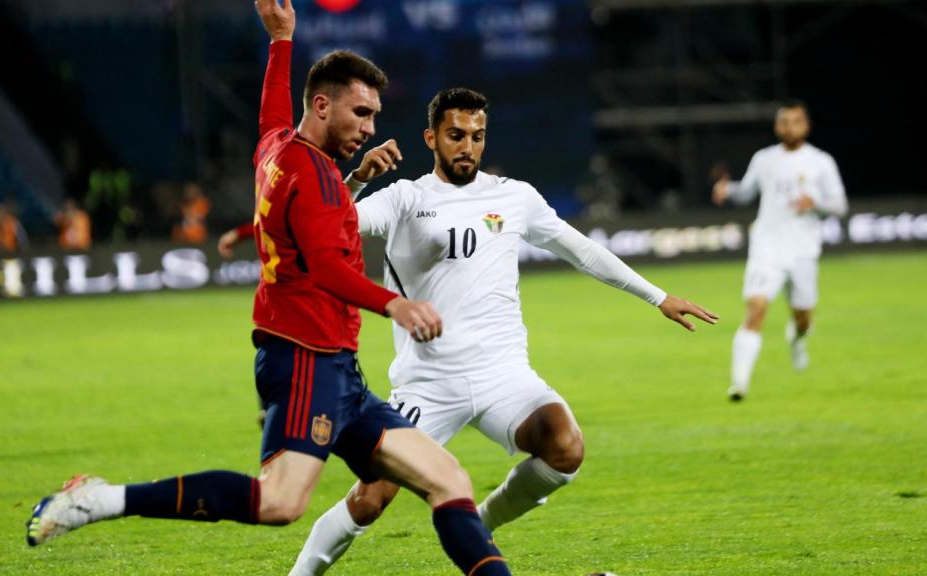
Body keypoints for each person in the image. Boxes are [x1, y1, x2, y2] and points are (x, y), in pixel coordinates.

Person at [25, 3, 512, 575]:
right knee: (279, 501)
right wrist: (396, 304)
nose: (370, 127)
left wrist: (281, 40)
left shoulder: (279, 148)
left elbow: (271, 113)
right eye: (360, 112)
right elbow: (328, 268)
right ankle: (101, 499)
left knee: (448, 478)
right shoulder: (319, 179)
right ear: (323, 105)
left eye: (374, 115)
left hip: (331, 366)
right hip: (307, 358)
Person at [278, 87, 718, 575]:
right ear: (431, 138)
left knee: (564, 447)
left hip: (502, 375)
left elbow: (582, 251)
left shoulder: (514, 197)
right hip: (428, 383)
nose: (467, 146)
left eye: (477, 136)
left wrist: (658, 297)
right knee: (371, 496)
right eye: (455, 135)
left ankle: (480, 527)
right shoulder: (405, 198)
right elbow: (326, 226)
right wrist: (357, 179)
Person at [712, 100, 847, 401]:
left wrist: (817, 204)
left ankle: (797, 338)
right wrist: (728, 190)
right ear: (777, 126)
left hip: (803, 250)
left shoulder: (821, 162)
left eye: (795, 121)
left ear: (806, 126)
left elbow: (840, 205)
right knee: (756, 309)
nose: (789, 127)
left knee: (803, 318)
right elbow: (747, 191)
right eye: (784, 122)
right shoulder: (764, 159)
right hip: (766, 248)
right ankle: (739, 385)